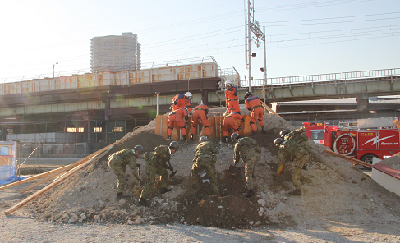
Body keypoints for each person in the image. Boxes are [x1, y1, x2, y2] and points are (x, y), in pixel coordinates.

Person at [139, 141, 179, 206]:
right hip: (151, 165)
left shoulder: (168, 154)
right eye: (175, 150)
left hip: (156, 165)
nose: (175, 152)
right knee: (151, 182)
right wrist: (164, 156)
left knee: (164, 173)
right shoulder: (165, 148)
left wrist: (168, 167)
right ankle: (142, 199)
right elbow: (156, 149)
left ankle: (163, 188)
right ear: (174, 148)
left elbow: (162, 163)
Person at [274, 127, 310, 195]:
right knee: (297, 166)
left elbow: (281, 163)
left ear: (278, 144)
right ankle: (304, 166)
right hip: (305, 154)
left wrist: (278, 173)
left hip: (300, 157)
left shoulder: (282, 149)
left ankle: (298, 190)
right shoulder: (289, 140)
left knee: (294, 172)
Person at [231, 133, 261, 198]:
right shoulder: (249, 139)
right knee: (252, 166)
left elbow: (236, 156)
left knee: (248, 174)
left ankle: (250, 191)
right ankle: (252, 176)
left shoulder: (238, 144)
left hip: (250, 158)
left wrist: (235, 162)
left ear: (236, 139)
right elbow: (256, 145)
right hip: (256, 156)